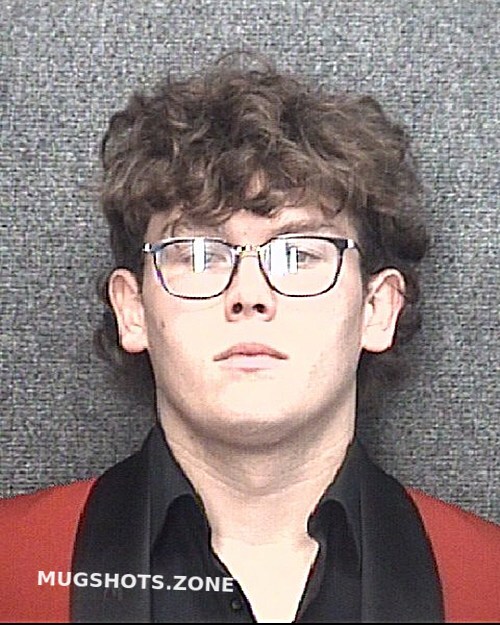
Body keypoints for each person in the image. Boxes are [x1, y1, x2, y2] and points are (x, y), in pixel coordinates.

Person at [0, 57, 498, 624]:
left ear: (376, 310)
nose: (249, 295)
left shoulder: (490, 581)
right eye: (198, 255)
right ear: (132, 310)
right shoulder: (9, 567)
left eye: (299, 254)